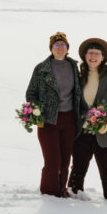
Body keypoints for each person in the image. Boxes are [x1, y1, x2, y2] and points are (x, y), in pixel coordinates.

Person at [68, 37, 107, 200]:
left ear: (103, 57)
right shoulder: (79, 75)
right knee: (77, 170)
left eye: (97, 53)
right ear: (84, 56)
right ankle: (72, 202)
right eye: (90, 53)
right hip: (82, 132)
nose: (93, 56)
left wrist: (106, 118)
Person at [26, 31, 81, 197]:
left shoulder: (73, 66)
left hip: (69, 119)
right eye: (56, 45)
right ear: (51, 48)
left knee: (65, 160)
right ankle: (49, 194)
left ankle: (61, 190)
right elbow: (31, 93)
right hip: (48, 121)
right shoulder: (41, 69)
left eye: (63, 45)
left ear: (67, 48)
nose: (60, 48)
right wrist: (36, 110)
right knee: (52, 161)